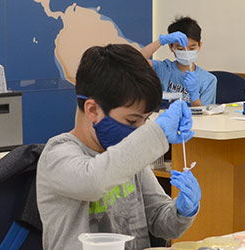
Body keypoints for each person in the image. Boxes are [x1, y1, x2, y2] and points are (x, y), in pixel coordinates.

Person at [37, 44, 201, 249]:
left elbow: (161, 221)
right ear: (93, 110)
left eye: (146, 120)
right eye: (132, 121)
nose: (140, 130)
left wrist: (183, 211)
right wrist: (156, 133)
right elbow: (93, 181)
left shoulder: (127, 154)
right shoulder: (57, 154)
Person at [140, 16, 217, 106]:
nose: (186, 52)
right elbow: (134, 61)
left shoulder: (208, 80)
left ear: (200, 45)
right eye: (180, 48)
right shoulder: (163, 69)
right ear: (171, 47)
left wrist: (195, 97)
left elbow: (204, 116)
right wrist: (161, 41)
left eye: (192, 48)